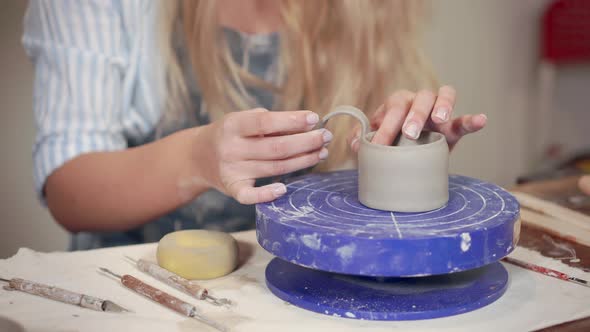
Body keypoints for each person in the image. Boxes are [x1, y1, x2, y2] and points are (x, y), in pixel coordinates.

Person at [23, 0, 486, 250]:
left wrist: (405, 147)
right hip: (130, 292)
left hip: (293, 288)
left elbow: (362, 173)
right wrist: (195, 159)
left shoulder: (366, 11)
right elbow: (69, 189)